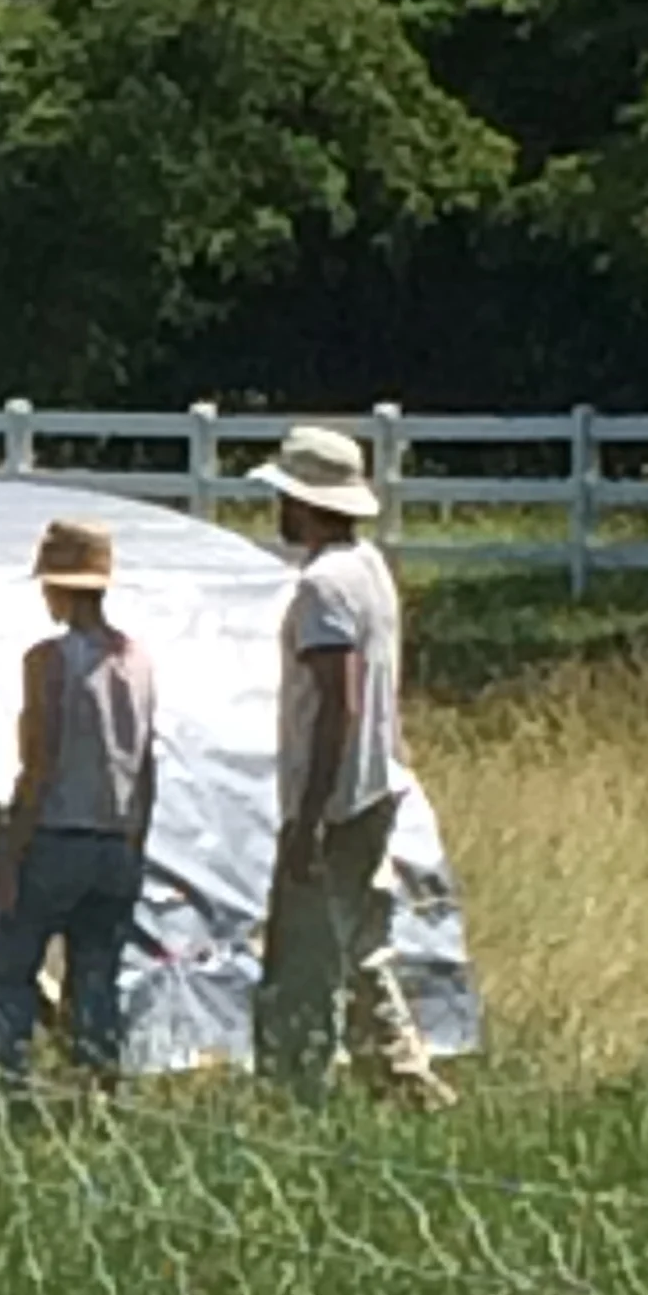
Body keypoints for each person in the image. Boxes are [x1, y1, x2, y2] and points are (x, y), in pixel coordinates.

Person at [246, 421, 447, 1108]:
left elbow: (339, 700)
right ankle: (404, 1078)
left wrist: (307, 817)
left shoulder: (322, 587)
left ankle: (298, 1089)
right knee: (361, 944)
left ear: (304, 503)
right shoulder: (370, 570)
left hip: (334, 798)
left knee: (304, 959)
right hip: (374, 785)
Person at [0, 517, 159, 1089]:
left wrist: (10, 854)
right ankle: (98, 1090)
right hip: (117, 840)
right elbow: (147, 761)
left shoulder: (50, 660)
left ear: (57, 586)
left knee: (7, 968)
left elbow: (40, 761)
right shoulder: (138, 661)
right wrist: (135, 840)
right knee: (97, 976)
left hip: (56, 835)